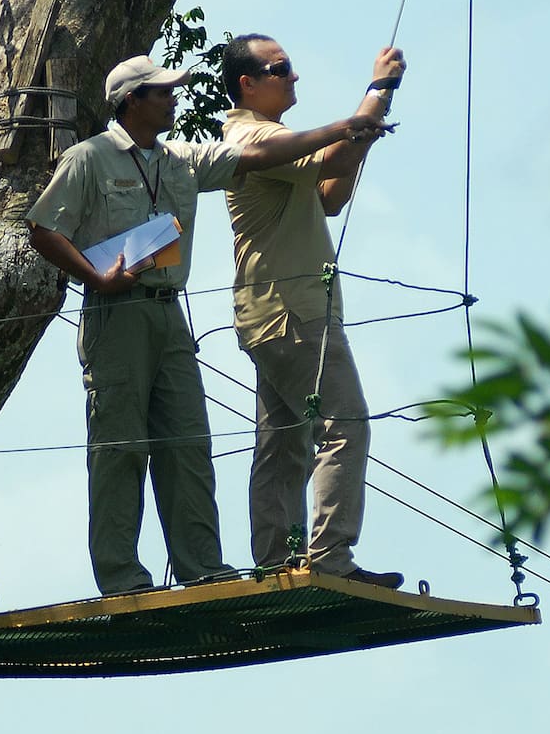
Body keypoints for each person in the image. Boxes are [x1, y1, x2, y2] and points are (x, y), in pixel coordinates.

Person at [28, 54, 390, 596]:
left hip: (170, 312)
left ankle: (202, 569)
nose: (174, 99)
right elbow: (43, 227)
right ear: (132, 101)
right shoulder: (90, 158)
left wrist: (339, 130)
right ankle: (123, 578)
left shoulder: (181, 160)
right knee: (121, 446)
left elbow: (261, 152)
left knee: (188, 444)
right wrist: (94, 277)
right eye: (163, 92)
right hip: (116, 314)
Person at [220, 34, 405, 589]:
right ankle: (329, 558)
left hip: (272, 312)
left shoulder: (272, 138)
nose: (294, 76)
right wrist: (379, 92)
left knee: (284, 441)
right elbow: (332, 154)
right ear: (248, 83)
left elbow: (327, 193)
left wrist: (360, 137)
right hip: (291, 311)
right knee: (345, 425)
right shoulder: (251, 135)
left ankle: (277, 560)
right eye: (281, 68)